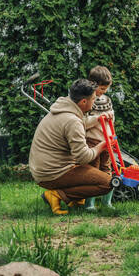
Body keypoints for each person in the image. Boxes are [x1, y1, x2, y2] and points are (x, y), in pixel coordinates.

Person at [28, 78, 112, 215]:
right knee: (108, 183)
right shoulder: (72, 121)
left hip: (43, 169)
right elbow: (84, 157)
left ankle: (75, 199)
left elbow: (79, 125)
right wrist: (102, 146)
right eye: (93, 99)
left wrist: (97, 119)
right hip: (54, 173)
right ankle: (56, 195)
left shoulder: (63, 110)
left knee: (92, 173)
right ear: (83, 102)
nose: (94, 102)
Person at [84, 66, 115, 210]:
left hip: (107, 141)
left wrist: (110, 119)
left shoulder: (106, 100)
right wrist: (98, 118)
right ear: (92, 84)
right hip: (92, 141)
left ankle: (106, 202)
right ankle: (89, 203)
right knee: (93, 171)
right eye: (101, 89)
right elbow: (83, 123)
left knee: (107, 168)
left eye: (105, 89)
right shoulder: (87, 100)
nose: (103, 92)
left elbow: (111, 119)